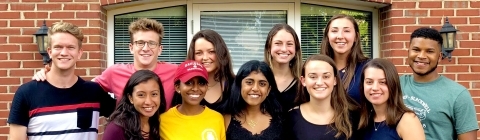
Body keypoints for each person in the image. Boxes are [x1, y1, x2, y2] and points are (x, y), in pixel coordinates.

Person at [31, 18, 178, 109]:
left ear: (160, 49)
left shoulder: (175, 72)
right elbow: (80, 89)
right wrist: (49, 75)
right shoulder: (114, 73)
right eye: (140, 43)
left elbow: (198, 86)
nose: (145, 48)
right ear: (131, 47)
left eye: (151, 43)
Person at [8, 22, 116, 140]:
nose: (64, 53)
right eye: (58, 47)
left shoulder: (94, 92)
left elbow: (133, 113)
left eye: (70, 47)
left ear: (79, 53)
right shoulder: (26, 93)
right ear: (49, 52)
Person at [400, 27, 478, 140]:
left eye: (429, 51)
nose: (421, 56)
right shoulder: (395, 84)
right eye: (416, 49)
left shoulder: (458, 94)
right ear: (408, 52)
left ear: (440, 57)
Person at [283, 54, 359, 140]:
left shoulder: (352, 117)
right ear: (303, 81)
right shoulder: (290, 118)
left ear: (335, 80)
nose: (319, 82)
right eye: (313, 77)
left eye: (326, 76)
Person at [358, 58, 425, 140]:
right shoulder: (364, 120)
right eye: (369, 82)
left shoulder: (408, 120)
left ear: (393, 84)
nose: (375, 88)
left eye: (382, 82)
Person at [171, 29, 235, 113]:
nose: (205, 58)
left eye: (211, 52)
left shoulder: (235, 85)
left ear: (221, 53)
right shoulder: (184, 86)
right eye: (199, 53)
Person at [160, 60, 225, 140]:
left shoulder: (217, 119)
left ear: (206, 87)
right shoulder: (163, 120)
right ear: (177, 87)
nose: (195, 88)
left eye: (201, 83)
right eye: (188, 83)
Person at [223, 60, 283, 140]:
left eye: (262, 84)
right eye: (249, 82)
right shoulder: (224, 119)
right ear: (239, 85)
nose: (255, 88)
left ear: (268, 90)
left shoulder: (280, 121)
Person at [103, 70, 167, 140]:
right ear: (131, 98)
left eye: (154, 94)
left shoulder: (157, 123)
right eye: (141, 95)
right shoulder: (116, 129)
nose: (148, 101)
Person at [321, 14, 370, 103]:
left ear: (356, 37)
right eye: (334, 31)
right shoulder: (316, 67)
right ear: (327, 36)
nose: (340, 36)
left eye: (347, 31)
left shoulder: (368, 68)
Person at [263, 23, 303, 112]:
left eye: (289, 44)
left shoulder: (304, 81)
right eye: (278, 43)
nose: (284, 49)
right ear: (269, 47)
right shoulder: (258, 77)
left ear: (296, 49)